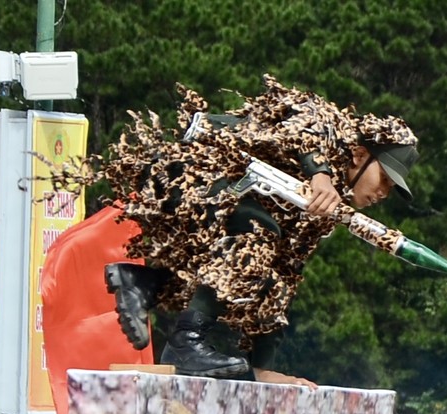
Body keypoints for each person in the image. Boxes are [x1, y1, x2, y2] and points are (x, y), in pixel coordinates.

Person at [98, 76, 420, 379]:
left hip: (216, 204)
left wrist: (263, 369)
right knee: (256, 234)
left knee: (257, 276)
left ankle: (143, 283)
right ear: (361, 155)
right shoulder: (332, 131)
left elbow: (285, 274)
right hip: (191, 172)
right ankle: (185, 342)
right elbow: (301, 115)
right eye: (385, 180)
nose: (383, 193)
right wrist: (319, 173)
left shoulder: (325, 207)